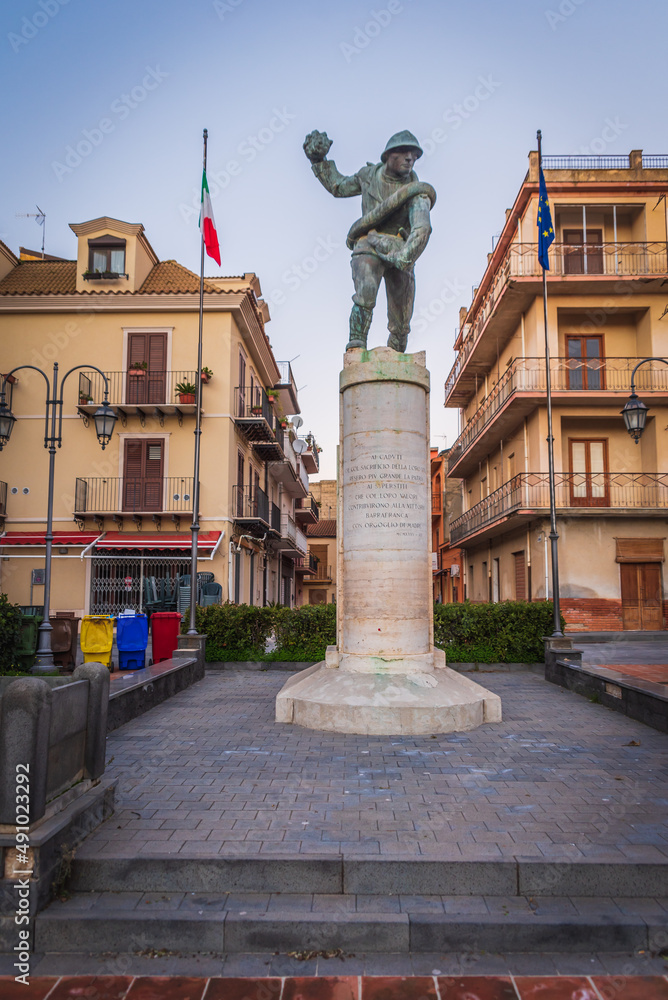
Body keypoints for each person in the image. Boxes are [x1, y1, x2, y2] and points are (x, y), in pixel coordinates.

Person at [303, 129, 436, 352]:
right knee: (364, 295)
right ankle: (357, 345)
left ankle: (397, 354)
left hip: (401, 250)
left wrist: (405, 257)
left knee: (401, 322)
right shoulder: (368, 176)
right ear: (388, 156)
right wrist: (318, 160)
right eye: (403, 152)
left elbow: (422, 228)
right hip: (368, 241)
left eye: (414, 155)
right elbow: (338, 186)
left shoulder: (418, 194)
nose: (410, 158)